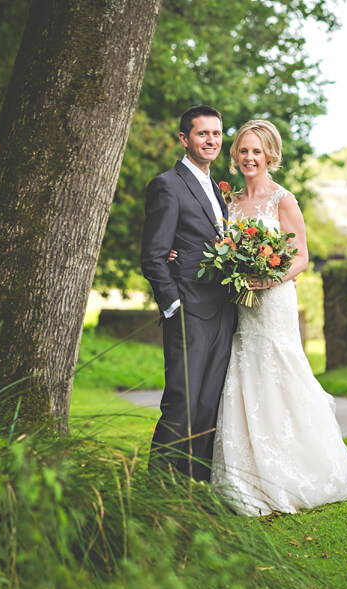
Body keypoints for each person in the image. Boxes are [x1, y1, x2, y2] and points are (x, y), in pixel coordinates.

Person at [171, 120, 347, 514]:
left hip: (273, 301)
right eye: (243, 150)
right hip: (239, 304)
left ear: (269, 156)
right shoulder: (230, 203)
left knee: (280, 368)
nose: (249, 158)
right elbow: (211, 244)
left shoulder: (283, 200)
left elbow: (302, 257)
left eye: (256, 151)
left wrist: (265, 278)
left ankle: (297, 467)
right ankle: (245, 473)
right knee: (245, 372)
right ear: (235, 155)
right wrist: (178, 255)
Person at [140, 106, 237, 482]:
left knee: (207, 404)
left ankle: (194, 486)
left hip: (222, 311)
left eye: (216, 133)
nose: (211, 140)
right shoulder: (167, 184)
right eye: (202, 134)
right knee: (181, 400)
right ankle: (156, 486)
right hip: (188, 311)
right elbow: (153, 255)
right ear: (185, 138)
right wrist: (173, 304)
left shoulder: (215, 187)